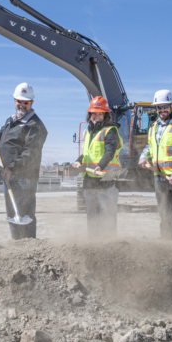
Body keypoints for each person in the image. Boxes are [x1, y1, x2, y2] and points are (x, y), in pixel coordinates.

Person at [0, 83, 48, 239]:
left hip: (24, 178)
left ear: (31, 103)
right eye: (19, 101)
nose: (22, 105)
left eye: (26, 102)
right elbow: (2, 131)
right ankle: (17, 248)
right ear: (14, 100)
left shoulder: (35, 126)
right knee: (13, 213)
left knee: (25, 214)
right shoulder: (12, 119)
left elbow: (30, 154)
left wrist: (12, 168)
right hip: (8, 175)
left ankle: (29, 248)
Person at [137, 89, 172, 241]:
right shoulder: (154, 127)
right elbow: (150, 146)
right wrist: (143, 157)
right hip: (160, 178)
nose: (162, 110)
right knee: (164, 214)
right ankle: (167, 245)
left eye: (165, 106)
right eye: (159, 107)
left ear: (171, 107)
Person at [71, 96, 123, 238]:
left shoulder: (110, 130)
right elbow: (87, 154)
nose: (96, 116)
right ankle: (93, 244)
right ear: (90, 115)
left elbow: (109, 151)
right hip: (90, 180)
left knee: (107, 216)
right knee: (92, 215)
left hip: (106, 179)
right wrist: (78, 161)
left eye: (100, 113)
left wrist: (100, 166)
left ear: (105, 115)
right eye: (94, 113)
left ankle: (110, 245)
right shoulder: (88, 132)